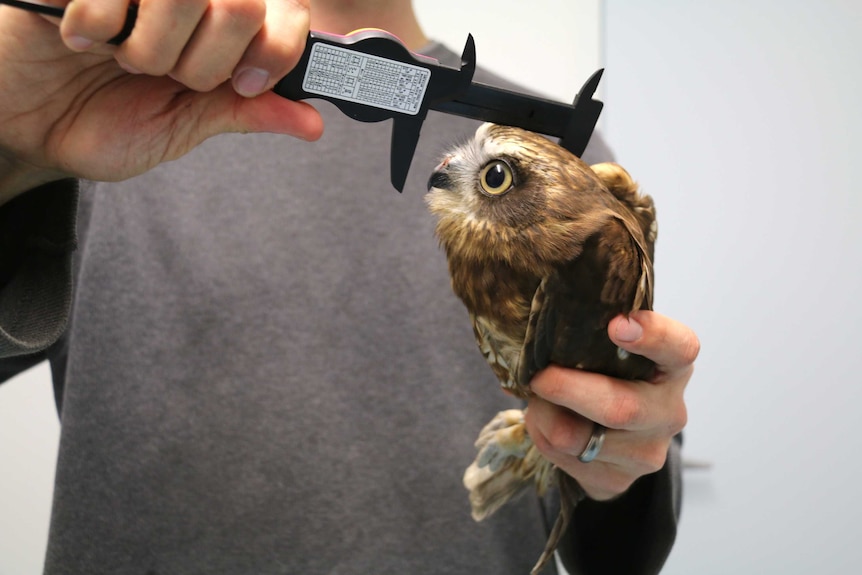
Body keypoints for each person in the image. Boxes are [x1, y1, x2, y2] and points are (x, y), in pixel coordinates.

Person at [0, 0, 699, 573]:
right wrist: (9, 147)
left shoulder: (554, 157)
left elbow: (614, 540)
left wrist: (620, 467)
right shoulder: (96, 91)